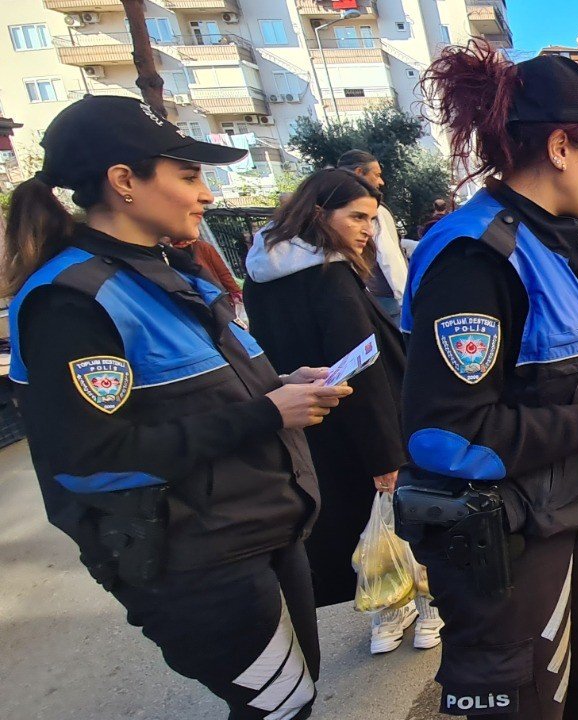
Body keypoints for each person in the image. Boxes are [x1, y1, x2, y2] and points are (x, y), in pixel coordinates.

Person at [3, 95, 352, 719]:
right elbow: (92, 458)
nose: (207, 195)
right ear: (123, 183)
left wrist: (280, 384)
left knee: (293, 700)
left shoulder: (167, 274)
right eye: (188, 176)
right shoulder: (71, 299)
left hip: (261, 531)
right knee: (280, 708)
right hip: (195, 556)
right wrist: (268, 414)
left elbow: (198, 394)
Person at [406, 43, 578, 720]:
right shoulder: (477, 257)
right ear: (561, 145)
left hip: (572, 514)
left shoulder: (546, 240)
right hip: (511, 541)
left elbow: (541, 373)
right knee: (533, 702)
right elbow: (448, 437)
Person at [243, 168, 441, 653]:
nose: (366, 230)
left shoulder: (260, 277)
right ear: (317, 213)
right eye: (356, 216)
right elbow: (365, 371)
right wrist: (385, 454)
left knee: (363, 525)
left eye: (372, 219)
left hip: (310, 427)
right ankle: (424, 606)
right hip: (367, 422)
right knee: (403, 518)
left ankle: (390, 609)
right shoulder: (330, 275)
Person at [338, 150, 408, 324]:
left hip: (355, 299)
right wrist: (405, 300)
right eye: (376, 175)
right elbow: (388, 256)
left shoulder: (330, 208)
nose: (381, 182)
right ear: (359, 173)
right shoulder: (374, 210)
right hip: (386, 300)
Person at [170, 235, 241, 310]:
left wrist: (236, 292)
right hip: (193, 301)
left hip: (216, 298)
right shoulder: (166, 254)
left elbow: (223, 274)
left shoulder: (203, 247)